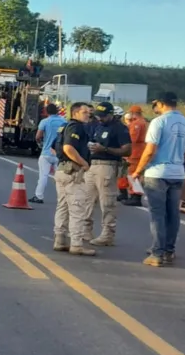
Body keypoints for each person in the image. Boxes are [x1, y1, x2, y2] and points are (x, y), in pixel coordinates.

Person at [131, 92, 185, 267]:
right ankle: (169, 250)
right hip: (177, 173)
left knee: (158, 214)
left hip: (157, 173)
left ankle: (157, 253)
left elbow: (150, 150)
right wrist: (177, 158)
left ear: (161, 104)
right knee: (173, 214)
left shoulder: (158, 122)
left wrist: (138, 171)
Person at [83, 102, 132, 246]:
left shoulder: (119, 129)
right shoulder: (97, 125)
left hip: (107, 165)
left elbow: (127, 150)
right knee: (87, 199)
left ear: (111, 115)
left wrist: (104, 149)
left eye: (104, 116)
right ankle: (86, 229)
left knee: (107, 202)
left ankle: (108, 233)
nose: (100, 119)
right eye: (99, 116)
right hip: (92, 164)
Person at [53, 102, 97, 256]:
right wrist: (83, 163)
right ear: (76, 113)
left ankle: (60, 240)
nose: (88, 115)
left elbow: (54, 147)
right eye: (85, 112)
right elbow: (68, 148)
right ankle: (77, 244)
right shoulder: (76, 127)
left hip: (62, 170)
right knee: (77, 208)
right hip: (72, 171)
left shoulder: (65, 126)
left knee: (63, 206)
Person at [31, 104, 67, 204]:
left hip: (46, 153)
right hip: (60, 154)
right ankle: (63, 198)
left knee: (43, 176)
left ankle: (39, 196)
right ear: (57, 111)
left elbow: (38, 136)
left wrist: (40, 143)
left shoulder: (45, 121)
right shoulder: (64, 121)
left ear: (46, 112)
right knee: (61, 178)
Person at [119, 106, 148, 207]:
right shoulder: (144, 122)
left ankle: (135, 196)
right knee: (135, 175)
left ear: (132, 112)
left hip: (135, 152)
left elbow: (132, 138)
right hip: (140, 150)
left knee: (133, 175)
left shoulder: (136, 124)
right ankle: (134, 195)